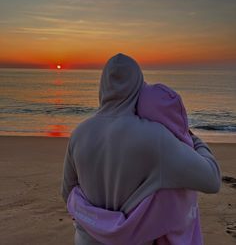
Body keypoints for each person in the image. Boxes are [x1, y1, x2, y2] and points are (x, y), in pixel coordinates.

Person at [62, 53, 221, 245]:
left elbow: (68, 192)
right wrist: (194, 140)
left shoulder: (79, 133)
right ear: (138, 88)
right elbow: (212, 180)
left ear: (102, 86)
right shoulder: (155, 137)